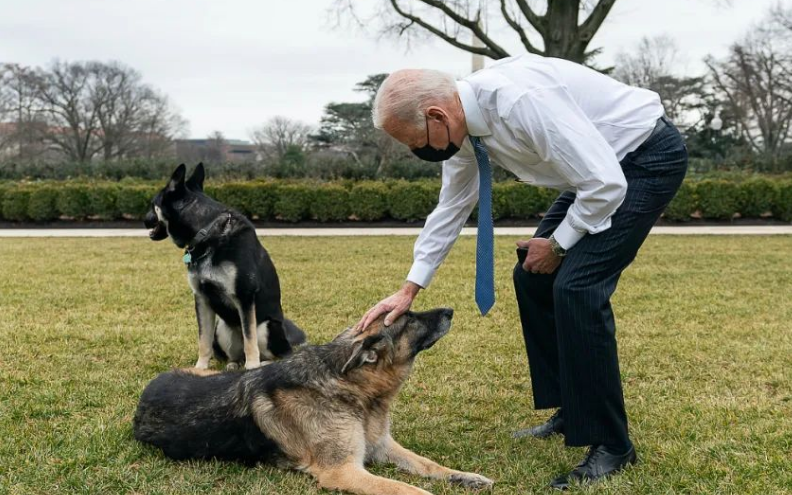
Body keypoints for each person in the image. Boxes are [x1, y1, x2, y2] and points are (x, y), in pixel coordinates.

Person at [354, 54, 688, 490]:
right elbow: (452, 206)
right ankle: (573, 409)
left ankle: (612, 444)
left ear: (437, 115)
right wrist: (409, 289)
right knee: (533, 277)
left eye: (415, 142)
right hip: (596, 171)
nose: (417, 151)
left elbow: (607, 184)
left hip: (641, 161)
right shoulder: (461, 130)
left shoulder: (519, 102)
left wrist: (560, 244)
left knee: (577, 288)